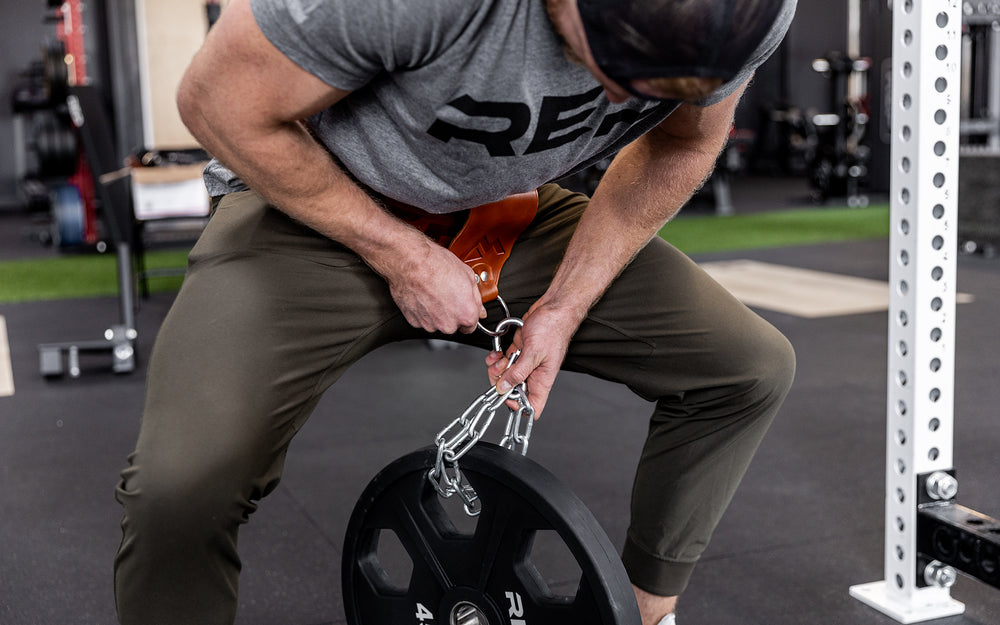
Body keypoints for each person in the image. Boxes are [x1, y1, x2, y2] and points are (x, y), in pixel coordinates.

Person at [113, 0, 798, 624]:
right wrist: (403, 257)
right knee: (177, 489)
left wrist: (563, 305)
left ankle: (639, 615)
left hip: (504, 213)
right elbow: (216, 101)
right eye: (618, 70)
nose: (619, 99)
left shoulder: (750, 16)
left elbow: (683, 143)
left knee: (746, 367)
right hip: (314, 206)